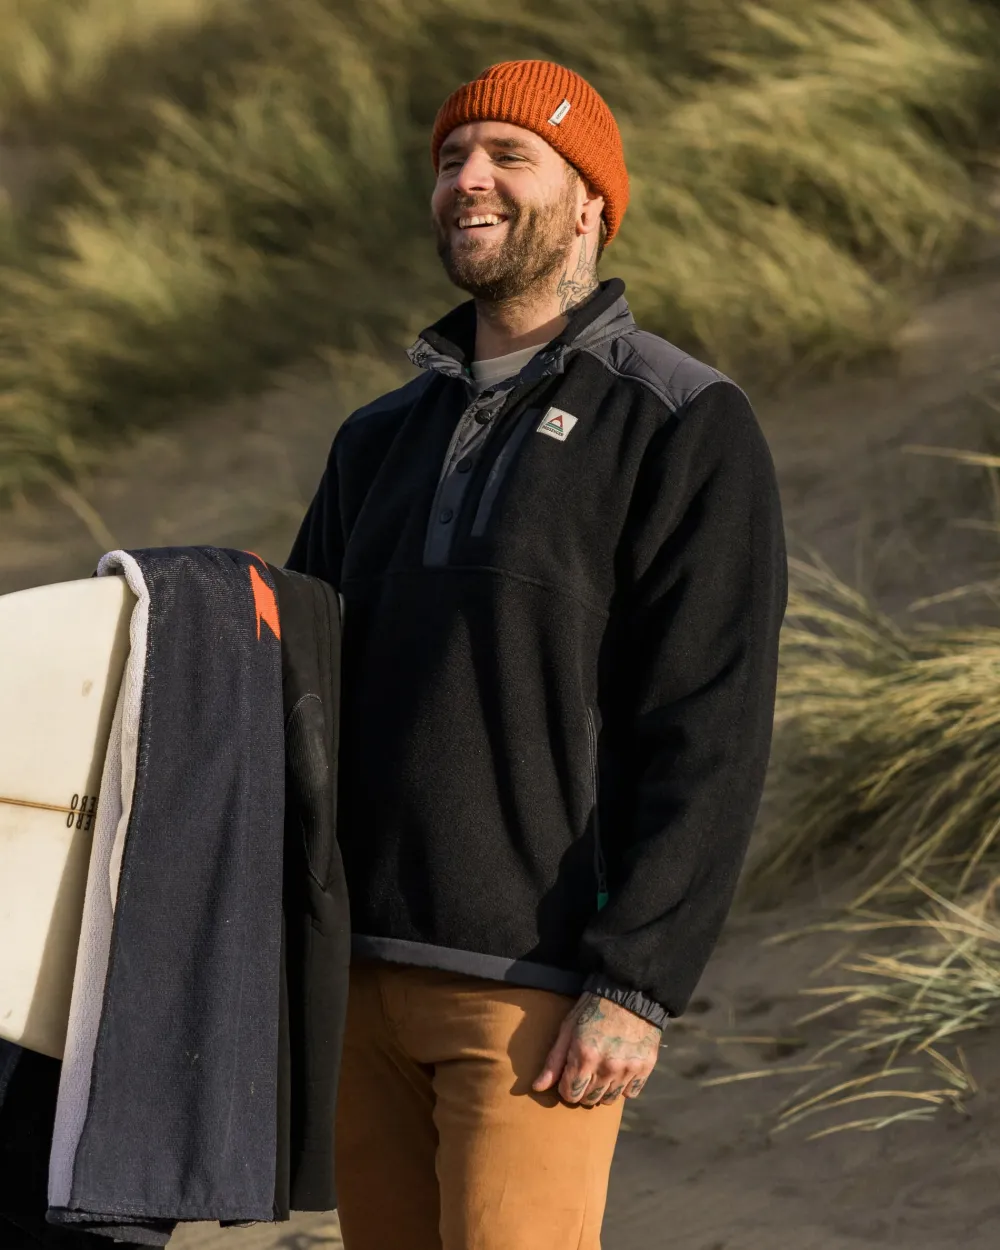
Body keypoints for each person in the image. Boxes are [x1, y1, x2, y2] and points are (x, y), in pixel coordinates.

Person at [287, 58, 787, 1250]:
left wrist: (636, 979)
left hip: (534, 990)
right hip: (355, 977)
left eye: (510, 156)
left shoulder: (678, 417)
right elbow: (295, 689)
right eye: (452, 158)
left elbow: (709, 723)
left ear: (589, 204)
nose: (469, 178)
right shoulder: (375, 438)